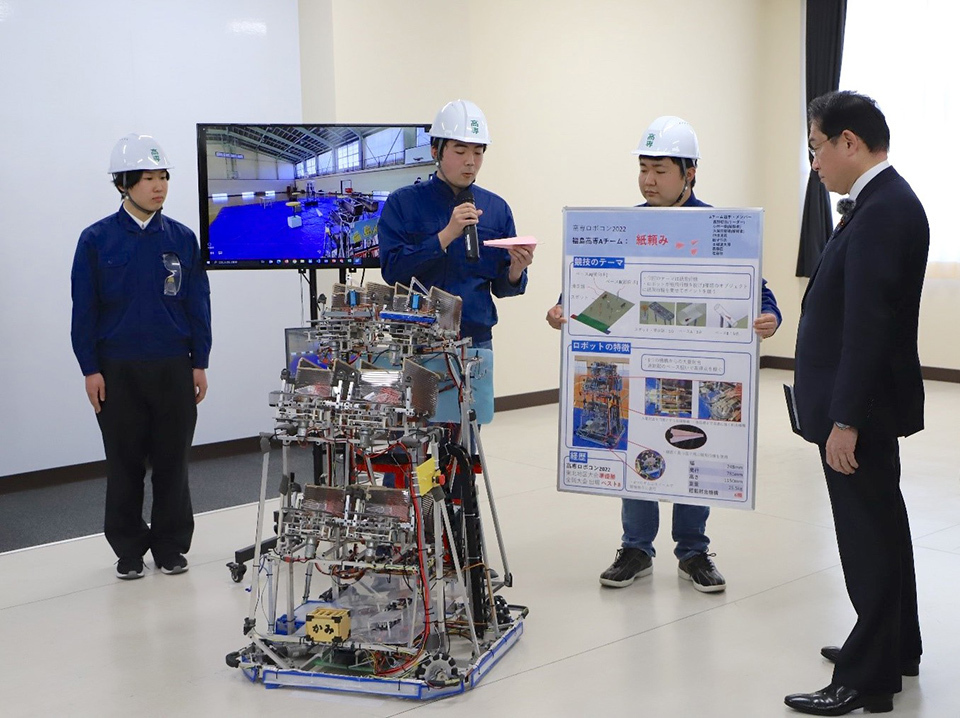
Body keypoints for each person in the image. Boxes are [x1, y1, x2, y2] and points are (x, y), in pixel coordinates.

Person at [546, 116, 782, 593]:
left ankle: (693, 552)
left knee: (696, 446)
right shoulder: (627, 226)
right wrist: (562, 308)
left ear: (689, 173)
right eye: (643, 169)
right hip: (639, 367)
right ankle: (636, 547)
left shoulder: (718, 228)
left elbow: (755, 291)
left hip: (697, 371)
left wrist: (769, 316)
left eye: (660, 170)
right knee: (637, 444)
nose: (648, 180)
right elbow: (595, 292)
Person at [783, 92, 927, 716]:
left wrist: (845, 420)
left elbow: (869, 327)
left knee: (867, 536)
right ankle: (894, 647)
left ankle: (867, 680)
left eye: (816, 148)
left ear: (849, 142)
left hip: (859, 413)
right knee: (883, 528)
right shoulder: (878, 203)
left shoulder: (884, 210)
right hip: (862, 405)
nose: (814, 163)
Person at [71, 134, 212, 580]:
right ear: (124, 184)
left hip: (173, 365)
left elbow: (198, 303)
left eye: (163, 177)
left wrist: (199, 361)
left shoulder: (183, 240)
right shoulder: (95, 241)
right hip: (117, 371)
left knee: (173, 462)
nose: (159, 186)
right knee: (124, 463)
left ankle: (170, 547)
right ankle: (128, 549)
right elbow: (84, 311)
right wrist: (90, 369)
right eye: (148, 178)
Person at [379, 99, 534, 349]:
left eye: (478, 152)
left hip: (477, 341)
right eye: (460, 151)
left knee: (478, 390)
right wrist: (447, 235)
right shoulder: (403, 203)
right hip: (417, 341)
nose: (470, 161)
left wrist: (516, 270)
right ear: (435, 151)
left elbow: (503, 289)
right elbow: (392, 271)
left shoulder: (497, 208)